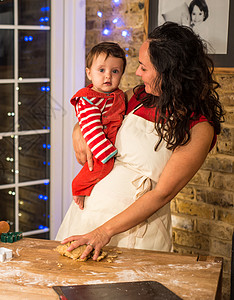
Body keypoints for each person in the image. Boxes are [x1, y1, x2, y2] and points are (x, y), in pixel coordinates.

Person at [56, 22, 224, 261]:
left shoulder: (199, 127)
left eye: (144, 67)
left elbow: (163, 194)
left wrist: (103, 232)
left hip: (135, 232)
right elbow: (94, 112)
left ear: (168, 71)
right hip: (89, 216)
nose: (137, 73)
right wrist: (77, 131)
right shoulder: (137, 97)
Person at [70, 42, 126, 210]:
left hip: (109, 143)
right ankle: (78, 187)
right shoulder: (88, 100)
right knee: (100, 168)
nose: (108, 76)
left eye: (115, 71)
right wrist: (107, 153)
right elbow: (91, 129)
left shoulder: (117, 95)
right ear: (89, 73)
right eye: (101, 70)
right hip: (101, 148)